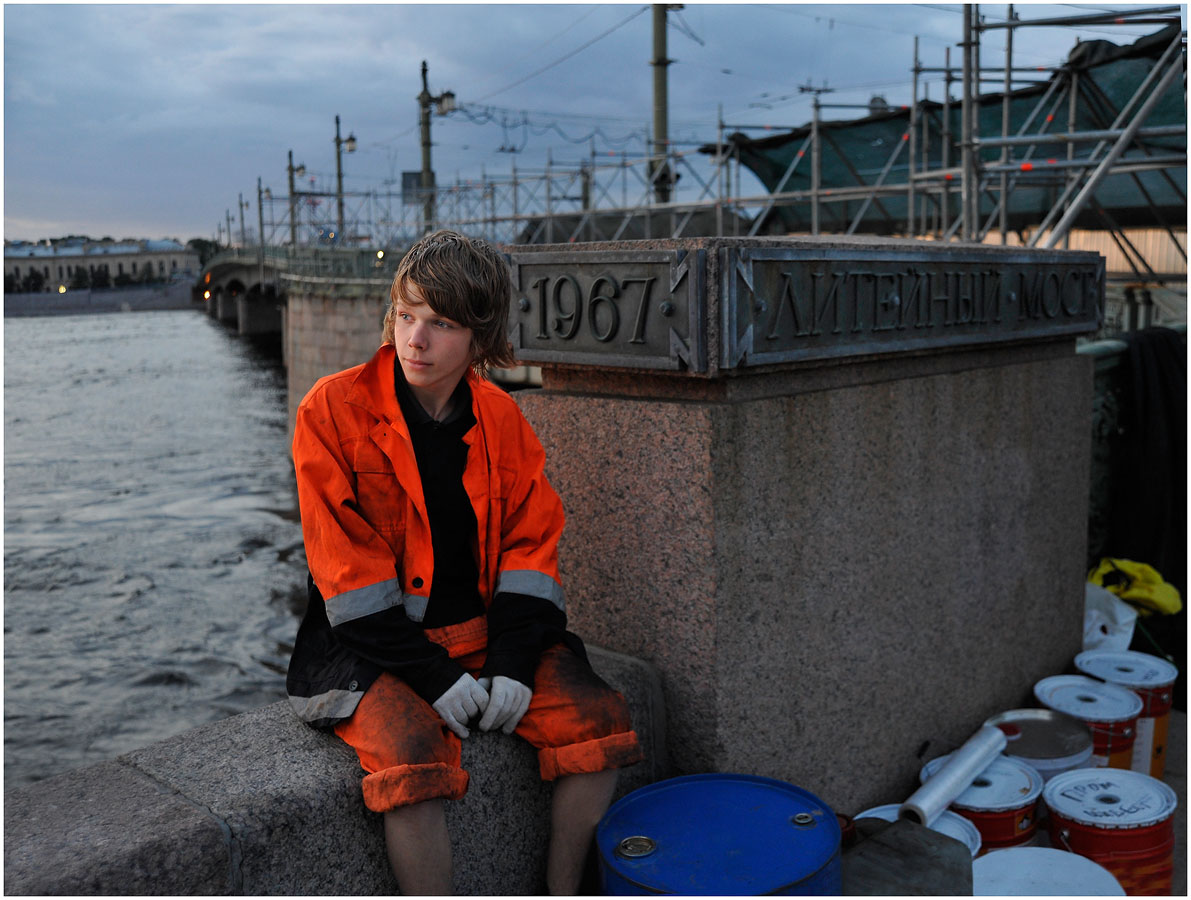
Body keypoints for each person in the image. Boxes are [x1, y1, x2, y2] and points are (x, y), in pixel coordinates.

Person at [286, 230, 643, 894]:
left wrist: (510, 663)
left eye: (441, 323)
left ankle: (561, 892)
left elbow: (530, 552)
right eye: (407, 313)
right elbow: (347, 579)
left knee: (598, 724)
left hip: (484, 635)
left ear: (480, 340)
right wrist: (432, 676)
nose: (415, 338)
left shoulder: (502, 417)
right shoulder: (330, 411)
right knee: (412, 762)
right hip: (368, 646)